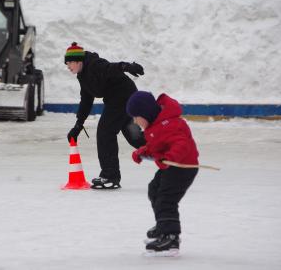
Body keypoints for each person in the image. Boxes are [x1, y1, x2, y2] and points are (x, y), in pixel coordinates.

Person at [64, 42, 146, 189]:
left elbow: (110, 68)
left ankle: (110, 176)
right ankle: (167, 151)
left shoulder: (94, 64)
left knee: (105, 132)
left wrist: (126, 66)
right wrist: (78, 124)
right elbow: (86, 99)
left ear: (78, 61)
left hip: (122, 97)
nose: (68, 66)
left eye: (69, 62)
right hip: (121, 98)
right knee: (134, 136)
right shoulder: (82, 75)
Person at [126, 91, 199, 256]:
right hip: (172, 166)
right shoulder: (156, 125)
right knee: (154, 189)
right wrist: (142, 152)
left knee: (166, 199)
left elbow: (182, 144)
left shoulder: (172, 124)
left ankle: (171, 237)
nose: (135, 121)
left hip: (183, 166)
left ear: (145, 113)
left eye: (136, 117)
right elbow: (156, 146)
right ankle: (163, 225)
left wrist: (169, 157)